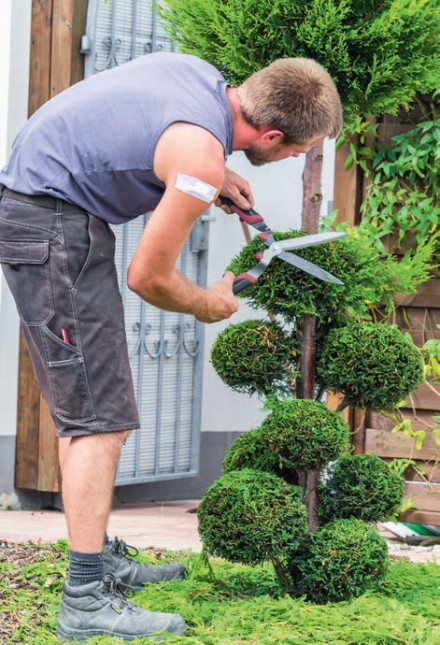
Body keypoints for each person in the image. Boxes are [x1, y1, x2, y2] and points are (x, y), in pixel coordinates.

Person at [0, 52, 342, 641]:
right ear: (271, 135)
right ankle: (84, 600)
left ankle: (97, 559)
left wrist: (216, 176)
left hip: (46, 206)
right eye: (297, 151)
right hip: (50, 223)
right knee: (98, 419)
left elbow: (139, 130)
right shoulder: (199, 157)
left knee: (96, 407)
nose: (293, 160)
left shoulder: (200, 80)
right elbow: (149, 277)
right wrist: (206, 303)